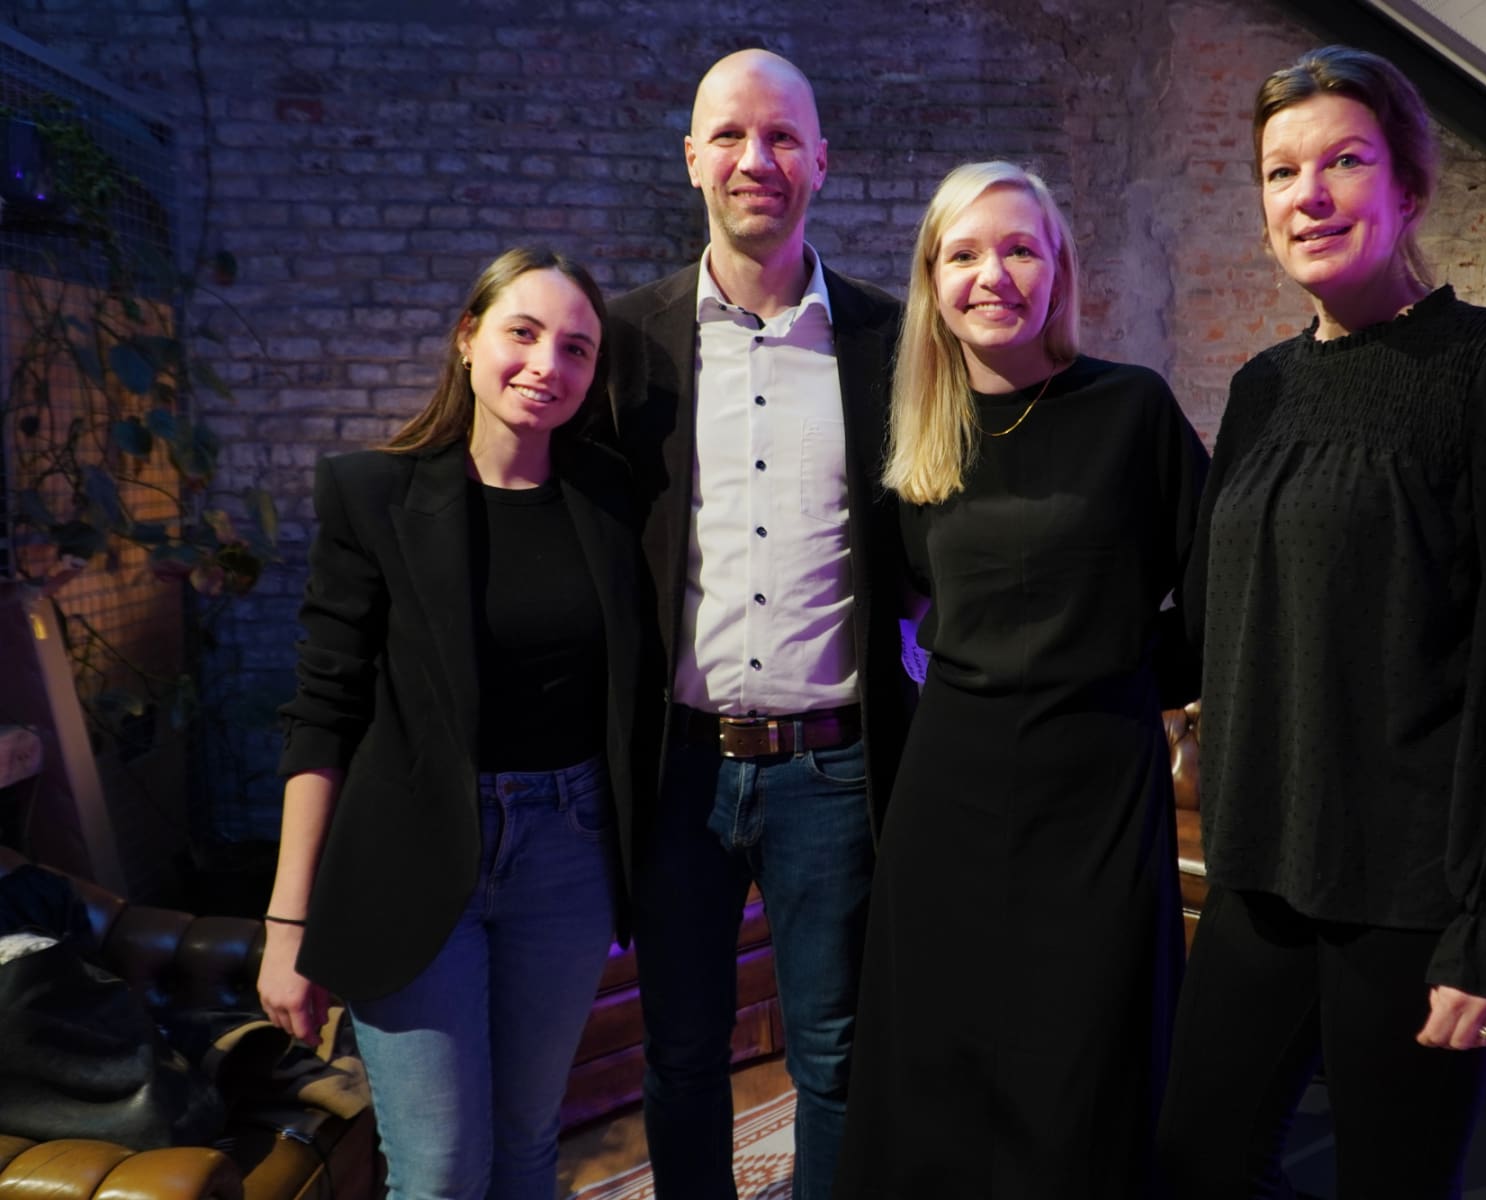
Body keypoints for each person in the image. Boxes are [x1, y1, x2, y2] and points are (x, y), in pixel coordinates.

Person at [1156, 46, 1486, 1198]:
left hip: (1412, 899)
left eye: (1344, 161)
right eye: (1280, 170)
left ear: (1407, 186)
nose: (1308, 194)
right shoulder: (1260, 389)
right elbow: (1206, 622)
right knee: (1198, 1161)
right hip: (1258, 871)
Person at [834, 161, 1210, 1200]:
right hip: (948, 795)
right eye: (963, 253)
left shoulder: (1131, 408)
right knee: (938, 1073)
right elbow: (911, 602)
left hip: (1094, 794)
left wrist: (1126, 675)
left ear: (1058, 269)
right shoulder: (920, 433)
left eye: (1018, 249)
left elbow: (1223, 604)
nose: (991, 274)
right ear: (931, 280)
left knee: (1077, 1070)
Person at [257, 246, 647, 1200]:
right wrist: (286, 922)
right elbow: (324, 710)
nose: (546, 364)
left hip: (568, 847)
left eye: (577, 349)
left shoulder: (616, 499)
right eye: (522, 331)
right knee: (437, 1171)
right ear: (469, 337)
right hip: (412, 851)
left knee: (524, 1146)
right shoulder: (373, 494)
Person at [602, 49, 911, 1200]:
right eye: (729, 136)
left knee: (835, 1058)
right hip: (679, 771)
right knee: (680, 1058)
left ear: (822, 161)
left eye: (783, 136)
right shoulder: (624, 345)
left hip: (832, 771)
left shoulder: (892, 339)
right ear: (690, 159)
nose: (756, 160)